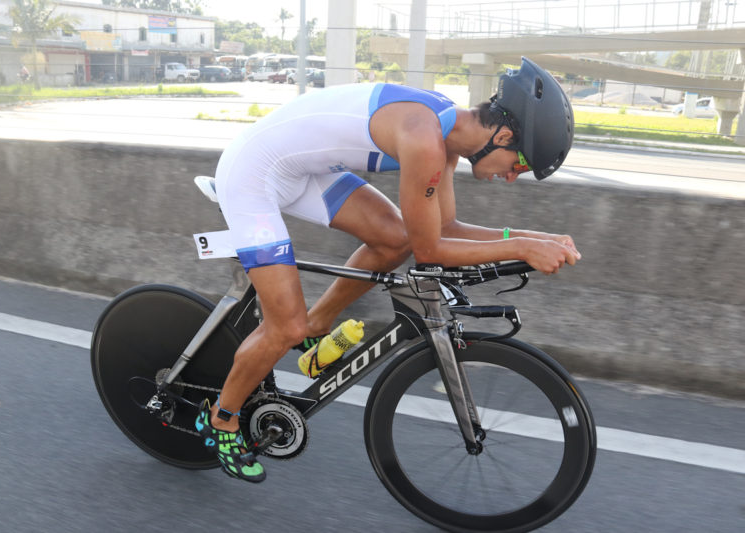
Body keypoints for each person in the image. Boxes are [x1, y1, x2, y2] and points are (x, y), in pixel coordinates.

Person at [195, 57, 581, 483]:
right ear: (503, 135)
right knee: (282, 327)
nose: (512, 178)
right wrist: (525, 246)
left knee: (393, 238)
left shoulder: (447, 134)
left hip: (303, 171)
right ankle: (222, 419)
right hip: (253, 173)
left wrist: (535, 238)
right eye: (520, 165)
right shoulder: (424, 137)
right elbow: (431, 249)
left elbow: (445, 228)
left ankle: (317, 326)